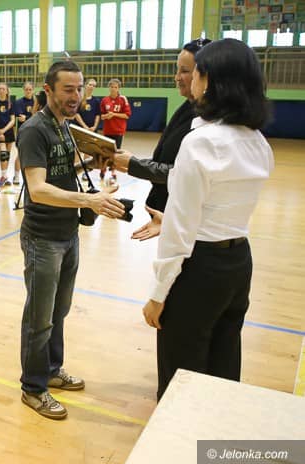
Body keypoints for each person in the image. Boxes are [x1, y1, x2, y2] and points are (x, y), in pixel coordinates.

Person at [141, 38, 273, 401]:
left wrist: (158, 294)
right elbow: (218, 207)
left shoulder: (201, 142)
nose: (189, 79)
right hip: (238, 263)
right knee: (223, 361)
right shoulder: (258, 141)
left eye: (195, 72)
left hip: (199, 267)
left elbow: (181, 232)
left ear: (209, 81)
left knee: (180, 374)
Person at [17, 61, 125, 419]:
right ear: (48, 90)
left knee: (58, 312)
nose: (76, 95)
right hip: (43, 238)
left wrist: (88, 167)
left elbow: (59, 175)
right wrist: (89, 201)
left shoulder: (64, 126)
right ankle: (33, 389)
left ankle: (51, 370)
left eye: (79, 89)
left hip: (67, 233)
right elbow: (38, 188)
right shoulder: (34, 130)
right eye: (68, 89)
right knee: (39, 319)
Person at [112, 39, 212, 240]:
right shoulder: (189, 108)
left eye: (185, 71)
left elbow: (182, 174)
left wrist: (134, 165)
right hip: (174, 218)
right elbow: (170, 162)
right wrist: (132, 162)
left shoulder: (209, 121)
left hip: (194, 228)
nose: (177, 77)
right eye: (177, 70)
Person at [100, 78, 131, 184]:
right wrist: (106, 116)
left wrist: (113, 114)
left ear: (119, 88)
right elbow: (102, 116)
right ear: (109, 88)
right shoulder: (105, 100)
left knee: (115, 154)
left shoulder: (123, 99)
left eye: (115, 87)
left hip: (118, 131)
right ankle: (103, 169)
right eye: (112, 87)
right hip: (107, 131)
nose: (113, 89)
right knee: (105, 152)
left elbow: (127, 115)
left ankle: (113, 173)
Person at [12, 82, 35, 185]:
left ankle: (32, 177)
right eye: (26, 89)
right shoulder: (18, 102)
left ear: (33, 90)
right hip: (23, 132)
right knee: (20, 155)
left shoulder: (36, 102)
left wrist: (28, 117)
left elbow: (38, 116)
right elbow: (21, 118)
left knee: (34, 155)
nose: (28, 91)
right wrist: (31, 117)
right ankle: (16, 176)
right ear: (23, 90)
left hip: (35, 132)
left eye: (30, 89)